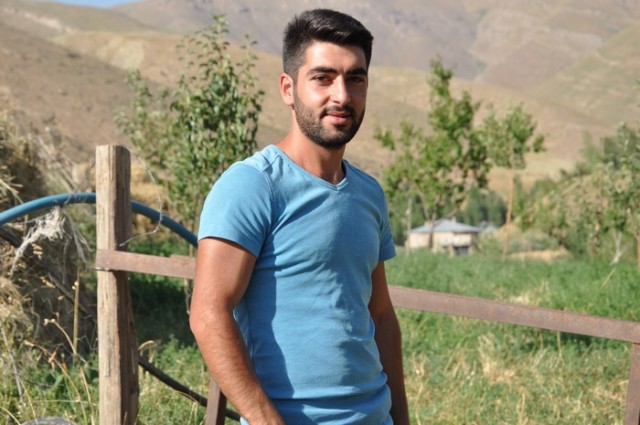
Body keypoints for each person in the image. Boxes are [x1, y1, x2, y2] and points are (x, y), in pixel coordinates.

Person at [190, 8, 409, 424]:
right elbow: (208, 315)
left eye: (356, 79)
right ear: (288, 89)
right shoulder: (252, 186)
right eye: (323, 78)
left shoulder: (368, 194)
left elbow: (380, 315)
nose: (341, 96)